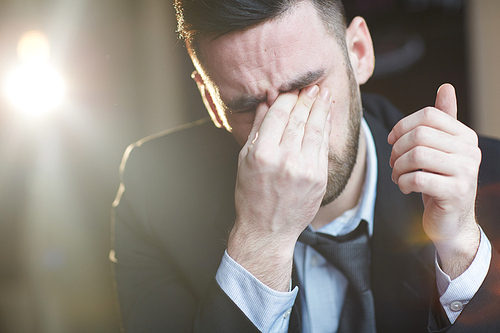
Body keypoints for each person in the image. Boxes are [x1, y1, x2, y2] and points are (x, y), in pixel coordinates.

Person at [111, 0, 500, 332]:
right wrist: (260, 242)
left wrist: (462, 250)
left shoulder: (490, 178)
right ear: (213, 103)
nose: (284, 123)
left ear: (359, 52)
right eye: (246, 106)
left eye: (305, 87)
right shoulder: (154, 192)